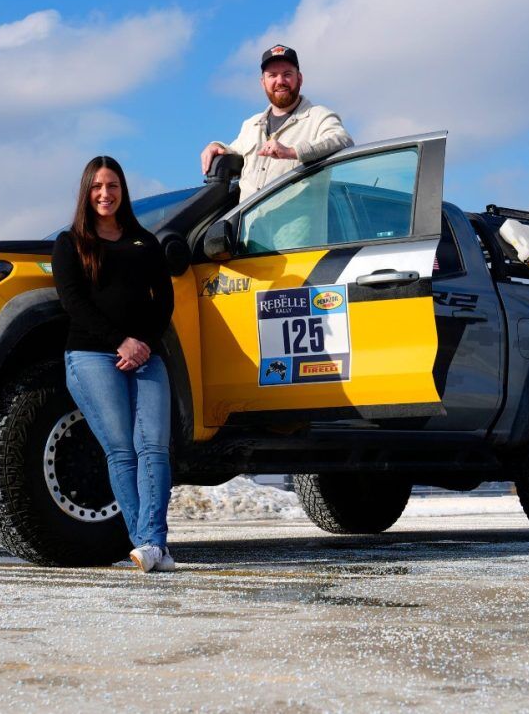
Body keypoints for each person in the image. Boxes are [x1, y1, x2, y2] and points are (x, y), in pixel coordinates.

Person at [52, 155, 175, 573]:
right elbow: (74, 303)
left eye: (113, 186)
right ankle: (150, 544)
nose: (106, 194)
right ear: (87, 192)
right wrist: (119, 341)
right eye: (98, 187)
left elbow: (165, 302)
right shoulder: (70, 243)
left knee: (154, 448)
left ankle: (151, 545)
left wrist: (142, 344)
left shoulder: (145, 242)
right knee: (122, 451)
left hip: (146, 356)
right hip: (91, 355)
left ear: (123, 191)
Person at [200, 44, 353, 202]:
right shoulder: (251, 125)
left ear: (299, 79)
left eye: (287, 74)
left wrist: (293, 152)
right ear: (263, 82)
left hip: (296, 225)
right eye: (272, 75)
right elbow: (234, 150)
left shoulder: (318, 116)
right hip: (249, 225)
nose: (280, 81)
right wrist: (215, 146)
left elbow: (343, 140)